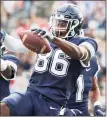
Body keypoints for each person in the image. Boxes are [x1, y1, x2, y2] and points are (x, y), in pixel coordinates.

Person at [0, 4, 98, 116]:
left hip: (53, 101)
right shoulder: (47, 38)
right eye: (57, 22)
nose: (58, 26)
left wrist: (54, 39)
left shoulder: (86, 42)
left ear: (75, 25)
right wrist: (4, 37)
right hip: (32, 93)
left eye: (63, 23)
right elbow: (16, 46)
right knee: (4, 107)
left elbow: (81, 53)